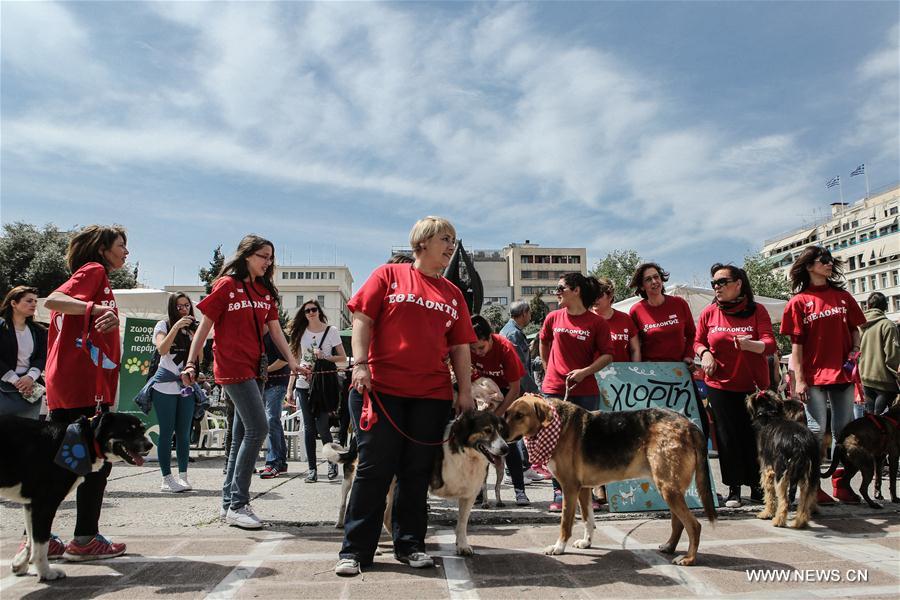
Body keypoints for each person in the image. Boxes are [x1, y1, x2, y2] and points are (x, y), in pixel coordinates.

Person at [335, 216, 475, 577]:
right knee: (373, 469)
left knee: (415, 472)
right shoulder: (388, 275)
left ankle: (410, 544)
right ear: (422, 242)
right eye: (444, 238)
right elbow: (362, 320)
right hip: (381, 389)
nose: (450, 246)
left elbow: (460, 347)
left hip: (431, 394)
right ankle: (355, 551)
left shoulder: (453, 293)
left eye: (453, 240)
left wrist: (464, 390)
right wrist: (360, 364)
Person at [182, 235, 304, 529]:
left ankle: (229, 504)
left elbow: (276, 332)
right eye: (264, 255)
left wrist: (293, 362)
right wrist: (191, 361)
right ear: (247, 255)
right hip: (232, 366)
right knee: (258, 427)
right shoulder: (226, 285)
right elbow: (205, 327)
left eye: (271, 257)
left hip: (257, 368)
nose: (268, 262)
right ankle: (238, 503)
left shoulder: (263, 291)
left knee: (241, 437)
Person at [43, 225, 128, 561]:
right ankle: (83, 539)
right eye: (122, 245)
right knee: (92, 464)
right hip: (80, 386)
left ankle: (43, 537)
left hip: (78, 384)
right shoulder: (92, 271)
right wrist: (96, 310)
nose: (125, 252)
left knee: (65, 465)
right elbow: (54, 300)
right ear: (103, 248)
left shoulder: (96, 278)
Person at [780, 246, 866, 504]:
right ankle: (812, 486)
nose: (829, 264)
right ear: (809, 267)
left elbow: (855, 329)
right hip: (813, 376)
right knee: (816, 430)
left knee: (845, 431)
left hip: (843, 373)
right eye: (823, 260)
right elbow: (796, 345)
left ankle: (842, 483)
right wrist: (800, 379)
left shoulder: (843, 297)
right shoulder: (798, 302)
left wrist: (855, 351)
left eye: (830, 260)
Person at [694, 264, 775, 508]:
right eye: (714, 284)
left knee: (755, 437)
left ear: (738, 283)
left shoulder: (757, 310)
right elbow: (696, 341)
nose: (716, 287)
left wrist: (752, 345)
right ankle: (734, 488)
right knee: (727, 438)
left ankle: (759, 487)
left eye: (722, 282)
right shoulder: (710, 313)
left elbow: (770, 343)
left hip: (754, 386)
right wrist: (705, 353)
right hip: (720, 385)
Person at [540, 273, 613, 512]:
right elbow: (544, 341)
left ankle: (586, 494)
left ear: (576, 290)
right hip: (553, 390)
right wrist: (547, 368)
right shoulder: (552, 318)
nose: (557, 292)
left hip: (586, 390)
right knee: (554, 444)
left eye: (561, 288)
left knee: (585, 444)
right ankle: (559, 494)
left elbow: (607, 356)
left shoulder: (597, 323)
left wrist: (585, 371)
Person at [628, 262, 708, 438]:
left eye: (656, 277)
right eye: (648, 279)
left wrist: (688, 356)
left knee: (695, 425)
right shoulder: (636, 311)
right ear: (642, 286)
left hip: (681, 373)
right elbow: (634, 346)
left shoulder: (679, 304)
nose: (654, 281)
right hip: (652, 378)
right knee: (658, 430)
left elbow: (692, 334)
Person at [470, 314, 529, 506]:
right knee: (480, 446)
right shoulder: (469, 350)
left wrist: (497, 415)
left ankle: (520, 490)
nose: (477, 352)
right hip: (484, 395)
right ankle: (479, 491)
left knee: (508, 443)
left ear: (490, 338)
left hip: (508, 395)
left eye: (481, 347)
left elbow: (515, 389)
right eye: (473, 348)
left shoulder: (505, 348)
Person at [286, 299, 346, 482]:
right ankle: (311, 469)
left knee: (323, 426)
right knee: (309, 428)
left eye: (314, 309)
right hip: (303, 384)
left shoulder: (331, 331)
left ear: (319, 311)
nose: (311, 313)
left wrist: (326, 356)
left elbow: (342, 357)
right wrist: (289, 390)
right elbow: (294, 362)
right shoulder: (301, 333)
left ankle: (332, 462)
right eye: (307, 311)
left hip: (322, 385)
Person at [150, 292, 198, 493]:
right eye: (179, 306)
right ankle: (166, 477)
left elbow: (199, 356)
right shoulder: (163, 325)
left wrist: (195, 334)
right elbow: (162, 349)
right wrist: (177, 326)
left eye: (186, 305)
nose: (184, 309)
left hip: (186, 385)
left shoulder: (192, 329)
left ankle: (183, 476)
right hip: (165, 385)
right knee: (167, 431)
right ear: (172, 308)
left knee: (184, 433)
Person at [499, 300, 545, 483]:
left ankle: (525, 467)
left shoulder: (510, 331)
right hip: (516, 389)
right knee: (518, 426)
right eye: (530, 312)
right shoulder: (514, 334)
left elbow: (525, 363)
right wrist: (534, 391)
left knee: (521, 427)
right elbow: (519, 368)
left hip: (515, 387)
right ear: (524, 313)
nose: (531, 316)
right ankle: (516, 471)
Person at [0, 286, 47, 420]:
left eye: (35, 301)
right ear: (14, 303)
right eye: (29, 301)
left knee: (27, 436)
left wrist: (30, 377)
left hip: (30, 391)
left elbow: (42, 357)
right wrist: (16, 381)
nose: (34, 304)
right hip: (4, 390)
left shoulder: (39, 331)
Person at [857, 292, 899, 415]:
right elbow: (892, 355)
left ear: (868, 306)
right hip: (884, 380)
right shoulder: (888, 325)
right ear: (885, 307)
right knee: (884, 418)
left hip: (865, 378)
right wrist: (897, 375)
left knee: (872, 418)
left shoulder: (860, 325)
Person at [258, 327, 290, 479]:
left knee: (271, 421)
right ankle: (280, 462)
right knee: (273, 422)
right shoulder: (258, 336)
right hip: (265, 384)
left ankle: (273, 462)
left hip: (277, 383)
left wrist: (265, 371)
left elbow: (283, 359)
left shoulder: (274, 334)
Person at [590, 277, 640, 363]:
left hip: (623, 374)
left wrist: (636, 373)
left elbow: (635, 349)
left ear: (610, 296)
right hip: (593, 375)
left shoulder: (625, 319)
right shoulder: (585, 320)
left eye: (599, 295)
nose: (594, 299)